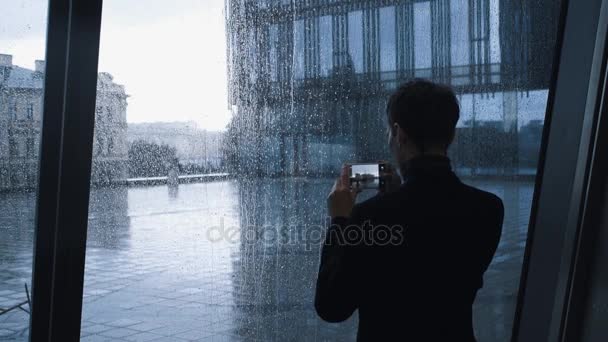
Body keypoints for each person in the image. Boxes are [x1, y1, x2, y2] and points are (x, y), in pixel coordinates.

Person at [315, 79, 504, 341]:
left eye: (390, 134)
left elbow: (331, 307)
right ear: (451, 135)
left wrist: (339, 220)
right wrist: (395, 198)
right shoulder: (489, 209)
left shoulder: (369, 217)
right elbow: (431, 267)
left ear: (399, 134)